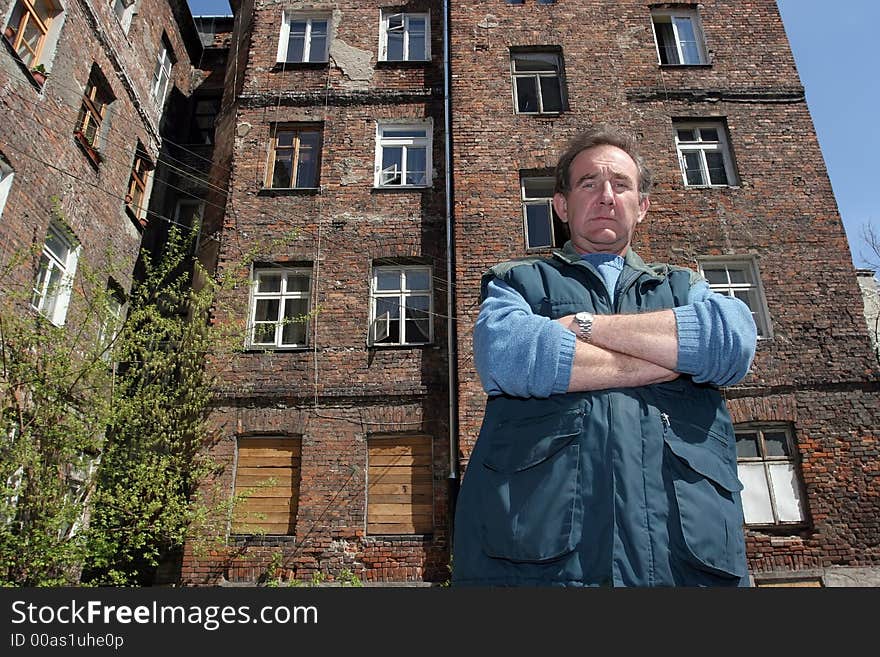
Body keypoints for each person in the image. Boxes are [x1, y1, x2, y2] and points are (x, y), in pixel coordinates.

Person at [452, 124, 757, 587]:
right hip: (540, 569)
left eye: (621, 184)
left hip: (687, 569)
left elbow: (731, 343)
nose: (606, 195)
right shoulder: (518, 281)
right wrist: (675, 356)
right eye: (589, 183)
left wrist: (583, 327)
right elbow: (508, 355)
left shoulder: (681, 285)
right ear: (561, 204)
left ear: (643, 206)